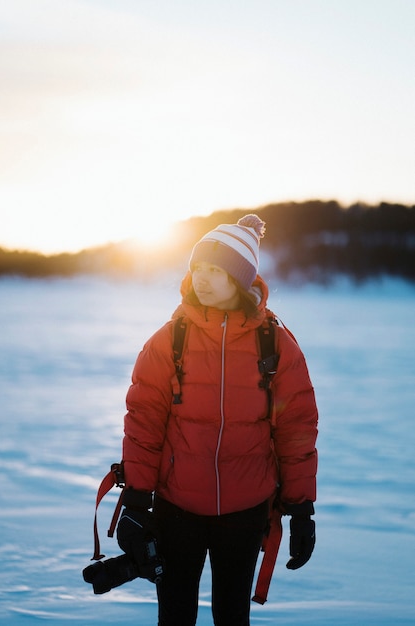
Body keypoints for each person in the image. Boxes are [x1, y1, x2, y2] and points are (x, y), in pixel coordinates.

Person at [116, 214, 318, 626]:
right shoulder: (170, 340)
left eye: (216, 269)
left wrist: (300, 509)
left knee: (232, 616)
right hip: (178, 508)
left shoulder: (275, 344)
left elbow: (297, 429)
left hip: (245, 511)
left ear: (241, 279)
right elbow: (143, 424)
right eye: (198, 268)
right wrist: (137, 499)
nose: (202, 278)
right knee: (175, 617)